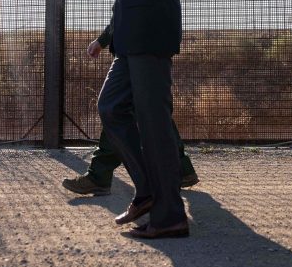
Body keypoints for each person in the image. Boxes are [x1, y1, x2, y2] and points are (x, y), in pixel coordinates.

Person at [36, 0, 189, 239]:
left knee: (153, 124)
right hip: (129, 41)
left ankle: (170, 215)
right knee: (110, 107)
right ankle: (149, 191)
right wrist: (106, 38)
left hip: (149, 39)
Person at [62, 20, 198, 195]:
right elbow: (126, 9)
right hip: (143, 47)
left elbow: (127, 9)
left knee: (118, 109)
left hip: (139, 48)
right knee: (141, 111)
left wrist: (103, 40)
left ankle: (101, 176)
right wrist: (103, 40)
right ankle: (181, 170)